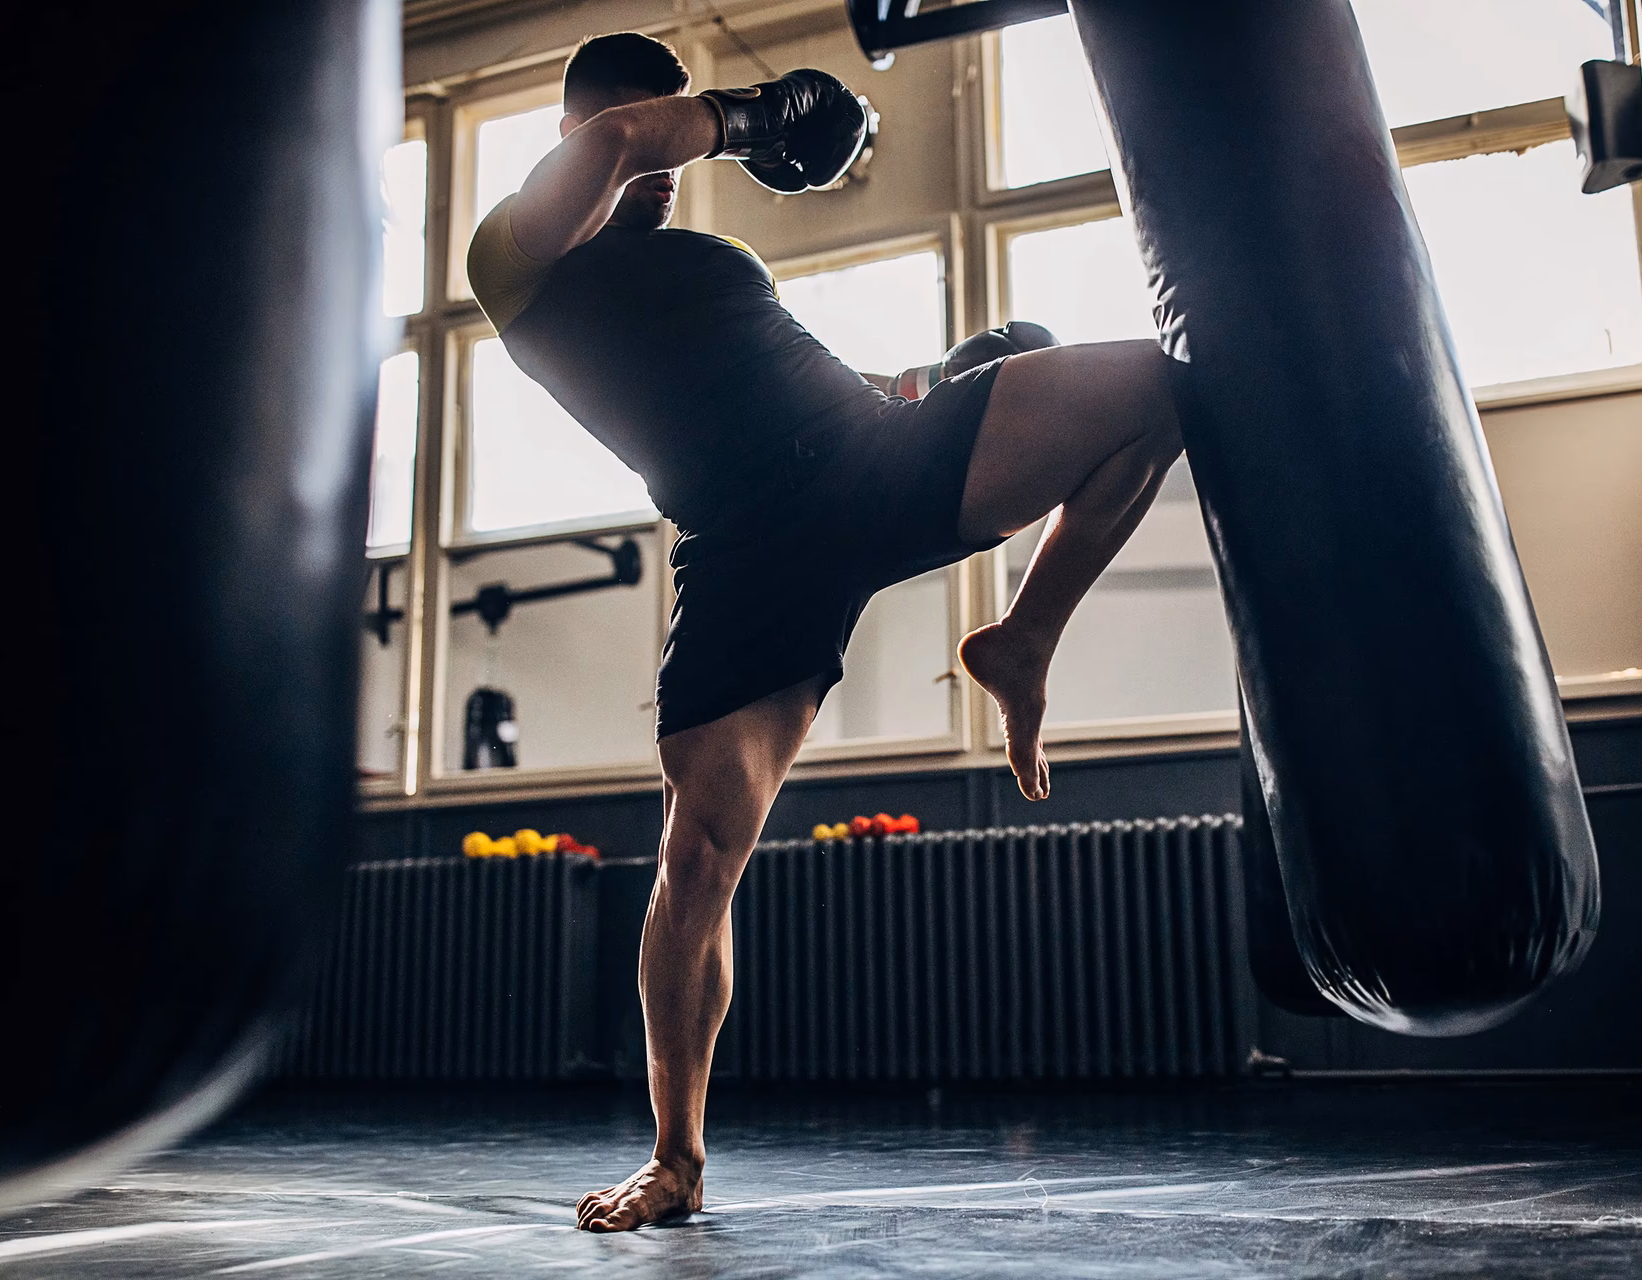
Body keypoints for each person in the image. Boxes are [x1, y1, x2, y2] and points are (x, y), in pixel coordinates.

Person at [467, 31, 1183, 1233]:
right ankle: (677, 1158)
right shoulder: (517, 257)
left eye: (673, 132)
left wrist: (942, 381)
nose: (658, 161)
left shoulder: (713, 254)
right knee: (697, 864)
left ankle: (1023, 642)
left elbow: (810, 379)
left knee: (1156, 388)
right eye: (642, 127)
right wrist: (743, 116)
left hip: (870, 455)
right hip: (747, 549)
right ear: (575, 140)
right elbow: (626, 139)